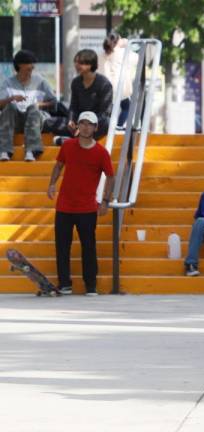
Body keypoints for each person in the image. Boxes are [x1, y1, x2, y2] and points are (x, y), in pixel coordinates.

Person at [47, 111, 115, 296]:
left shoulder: (101, 152)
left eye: (89, 124)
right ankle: (64, 284)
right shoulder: (68, 146)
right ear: (77, 126)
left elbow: (110, 176)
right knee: (62, 246)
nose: (85, 127)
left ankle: (90, 285)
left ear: (95, 128)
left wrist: (105, 202)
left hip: (86, 207)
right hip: (64, 206)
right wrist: (52, 184)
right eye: (82, 123)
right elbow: (59, 165)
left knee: (89, 246)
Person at [0, 50, 57, 162]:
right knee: (10, 107)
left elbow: (54, 102)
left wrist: (39, 104)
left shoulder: (40, 82)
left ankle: (32, 150)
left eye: (31, 69)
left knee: (33, 108)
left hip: (35, 120)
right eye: (27, 69)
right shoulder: (7, 83)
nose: (30, 72)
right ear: (19, 66)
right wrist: (11, 99)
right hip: (15, 121)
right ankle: (4, 151)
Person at [54, 49, 113, 145]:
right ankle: (73, 138)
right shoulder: (76, 82)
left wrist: (86, 124)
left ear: (90, 65)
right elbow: (73, 106)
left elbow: (105, 112)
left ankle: (70, 140)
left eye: (80, 63)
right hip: (79, 121)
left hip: (96, 122)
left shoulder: (104, 84)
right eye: (75, 62)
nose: (76, 65)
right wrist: (71, 120)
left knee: (107, 123)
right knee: (53, 122)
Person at [101, 32, 138, 128]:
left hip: (105, 85)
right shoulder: (123, 53)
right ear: (118, 41)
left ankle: (108, 126)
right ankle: (119, 125)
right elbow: (137, 59)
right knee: (127, 107)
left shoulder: (104, 53)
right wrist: (127, 45)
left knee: (111, 107)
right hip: (120, 86)